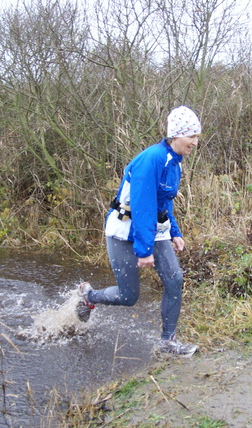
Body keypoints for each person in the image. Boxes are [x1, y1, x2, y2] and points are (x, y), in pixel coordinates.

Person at [76, 105, 201, 357]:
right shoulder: (151, 159)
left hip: (153, 229)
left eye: (197, 137)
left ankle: (167, 343)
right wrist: (144, 251)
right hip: (124, 230)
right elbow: (143, 206)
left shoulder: (174, 162)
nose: (195, 143)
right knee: (128, 296)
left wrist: (174, 231)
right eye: (192, 137)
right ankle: (89, 296)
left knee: (174, 280)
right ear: (176, 135)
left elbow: (163, 201)